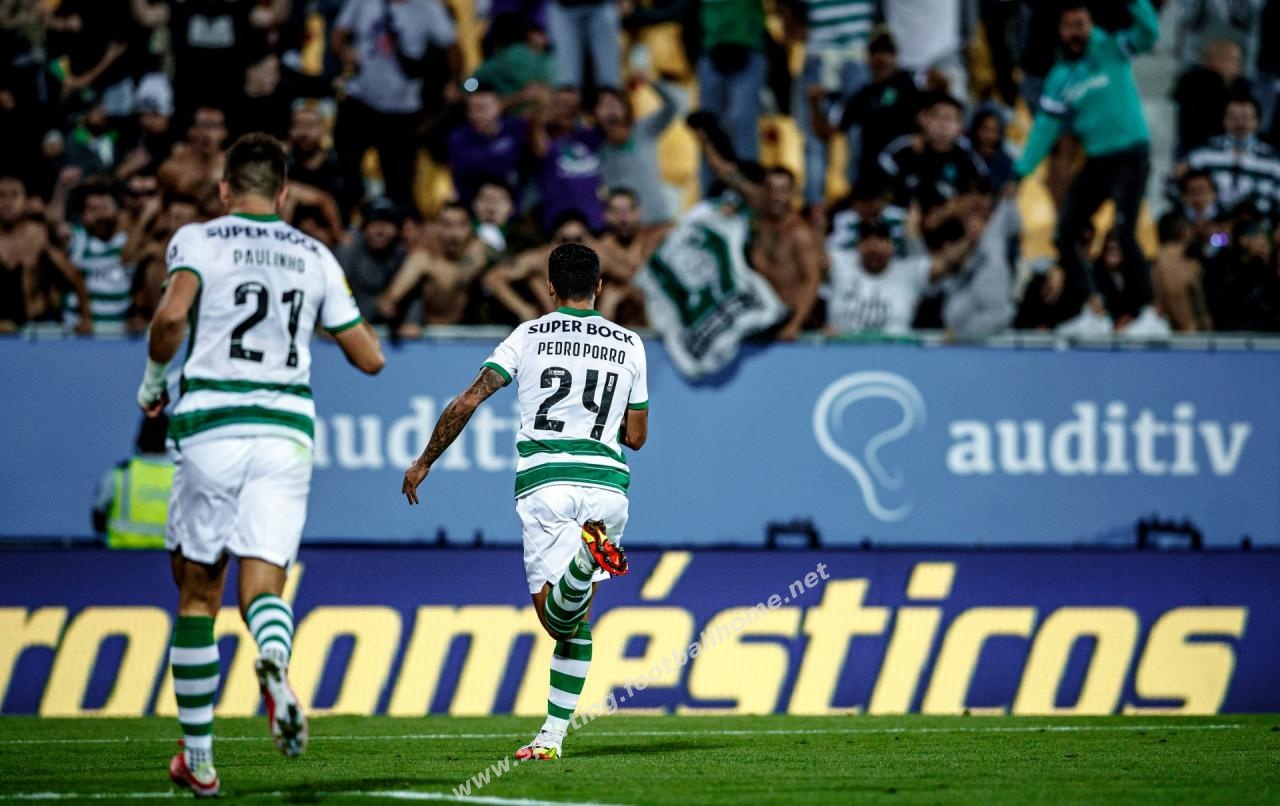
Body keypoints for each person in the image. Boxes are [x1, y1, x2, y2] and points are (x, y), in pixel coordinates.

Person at [135, 133, 385, 797]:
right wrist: (321, 315)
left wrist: (154, 382)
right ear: (283, 193)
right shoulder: (315, 255)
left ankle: (199, 760)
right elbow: (370, 358)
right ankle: (273, 656)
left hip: (214, 424)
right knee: (264, 587)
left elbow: (170, 318)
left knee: (198, 594)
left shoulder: (199, 240)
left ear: (224, 189)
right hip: (285, 435)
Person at [400, 242, 646, 762]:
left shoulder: (529, 335)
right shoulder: (629, 343)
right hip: (608, 487)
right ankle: (551, 739)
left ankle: (585, 560)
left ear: (550, 287)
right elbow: (638, 436)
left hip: (548, 483)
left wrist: (424, 460)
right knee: (576, 623)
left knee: (556, 621)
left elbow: (470, 399)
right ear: (599, 287)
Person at [1014, 0, 1160, 324]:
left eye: (1081, 24)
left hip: (1131, 154)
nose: (1075, 33)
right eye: (1069, 26)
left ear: (1090, 26)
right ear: (1059, 31)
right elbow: (1044, 130)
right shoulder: (1059, 77)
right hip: (1098, 159)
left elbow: (1149, 33)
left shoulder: (1113, 48)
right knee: (1065, 234)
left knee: (1124, 231)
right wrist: (1020, 171)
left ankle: (1148, 312)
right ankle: (1093, 309)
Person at [331, 0, 461, 211]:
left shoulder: (428, 7)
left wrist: (453, 81)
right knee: (346, 173)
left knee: (399, 185)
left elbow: (453, 48)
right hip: (360, 98)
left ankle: (396, 222)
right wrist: (346, 53)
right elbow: (338, 35)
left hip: (402, 107)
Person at [808, 28, 922, 198]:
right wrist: (814, 104)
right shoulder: (861, 96)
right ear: (868, 57)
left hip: (908, 174)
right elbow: (826, 132)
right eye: (875, 51)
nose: (881, 58)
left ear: (896, 56)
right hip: (871, 181)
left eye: (888, 51)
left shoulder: (912, 84)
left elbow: (938, 94)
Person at [378, 201, 497, 329]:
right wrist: (400, 318)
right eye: (447, 225)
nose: (454, 234)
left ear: (470, 227)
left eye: (461, 225)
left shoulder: (481, 250)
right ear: (435, 227)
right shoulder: (423, 260)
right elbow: (388, 300)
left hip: (472, 333)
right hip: (433, 334)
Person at [0, 174, 92, 333]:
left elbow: (74, 277)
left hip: (36, 325)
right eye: (1, 196)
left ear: (27, 201)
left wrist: (86, 318)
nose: (8, 203)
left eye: (14, 195)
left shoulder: (38, 235)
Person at [879, 91, 988, 212]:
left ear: (960, 126)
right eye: (938, 117)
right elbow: (880, 186)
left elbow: (984, 193)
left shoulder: (968, 157)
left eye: (950, 119)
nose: (943, 125)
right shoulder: (905, 149)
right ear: (924, 119)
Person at [595, 75, 682, 226]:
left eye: (614, 104)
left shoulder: (644, 129)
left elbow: (674, 105)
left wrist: (650, 80)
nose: (610, 111)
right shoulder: (594, 144)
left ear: (626, 108)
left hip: (657, 222)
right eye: (603, 105)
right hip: (622, 228)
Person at [1180, 95, 1280, 217]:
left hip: (1257, 224)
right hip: (1210, 224)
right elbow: (1179, 194)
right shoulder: (1202, 156)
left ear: (1257, 122)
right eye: (1233, 118)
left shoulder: (1273, 161)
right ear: (1224, 120)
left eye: (1246, 118)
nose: (1240, 123)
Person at [93, 414, 174, 549]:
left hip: (121, 556)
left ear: (140, 437)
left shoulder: (120, 474)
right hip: (170, 557)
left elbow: (98, 520)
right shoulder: (182, 477)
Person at [65, 182, 133, 330]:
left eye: (104, 208)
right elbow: (54, 226)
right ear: (82, 215)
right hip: (79, 332)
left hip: (121, 333)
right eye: (92, 210)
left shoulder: (128, 241)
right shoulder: (78, 239)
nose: (100, 216)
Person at [336, 196, 408, 323]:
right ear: (363, 228)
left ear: (398, 230)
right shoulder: (348, 250)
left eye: (387, 224)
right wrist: (376, 305)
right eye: (374, 223)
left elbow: (414, 297)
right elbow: (336, 300)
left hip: (390, 328)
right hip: (350, 323)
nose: (380, 231)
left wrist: (411, 322)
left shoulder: (401, 251)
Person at [1151, 212, 1213, 332]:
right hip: (1188, 333)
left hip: (1164, 332)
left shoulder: (1152, 263)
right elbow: (1191, 303)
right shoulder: (1190, 267)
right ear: (1184, 233)